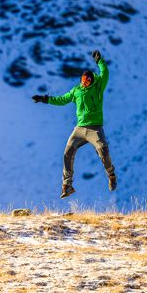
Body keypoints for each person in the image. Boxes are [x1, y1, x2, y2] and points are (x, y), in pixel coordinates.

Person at [32, 50, 117, 198]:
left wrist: (99, 60)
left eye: (87, 80)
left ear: (92, 81)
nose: (84, 82)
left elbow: (105, 73)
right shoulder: (76, 91)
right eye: (83, 79)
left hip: (95, 128)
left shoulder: (98, 88)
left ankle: (111, 175)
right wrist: (45, 99)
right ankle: (67, 185)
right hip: (79, 128)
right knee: (68, 153)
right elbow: (62, 100)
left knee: (103, 152)